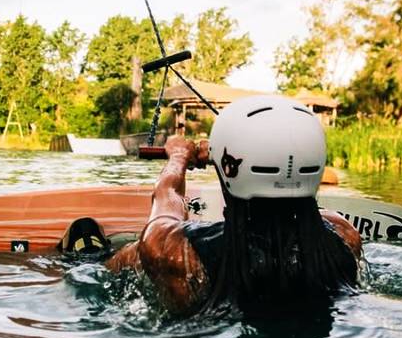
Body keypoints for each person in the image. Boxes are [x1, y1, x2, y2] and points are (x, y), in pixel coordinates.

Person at [106, 95, 362, 316]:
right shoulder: (345, 235)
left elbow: (167, 196)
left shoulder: (174, 252)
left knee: (127, 254)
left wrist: (179, 155)